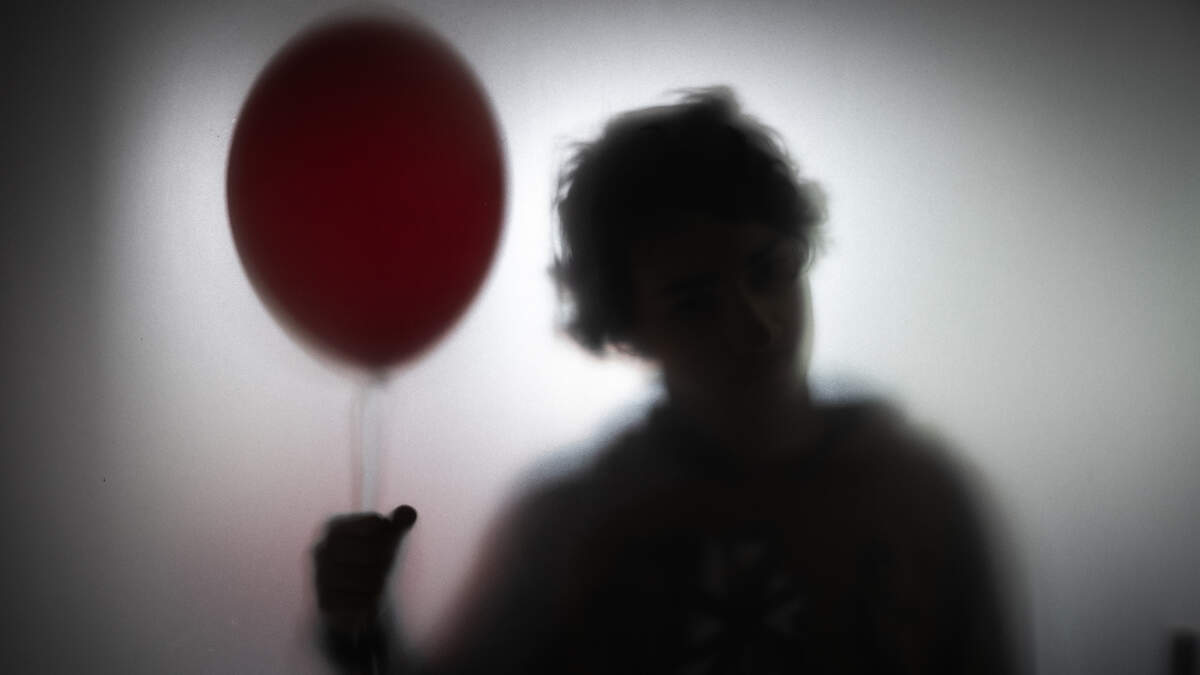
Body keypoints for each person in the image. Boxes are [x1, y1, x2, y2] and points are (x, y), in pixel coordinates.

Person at [312, 87, 1020, 674]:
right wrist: (357, 627)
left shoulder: (920, 497)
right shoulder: (577, 526)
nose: (756, 323)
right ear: (627, 327)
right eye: (694, 301)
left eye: (769, 271)